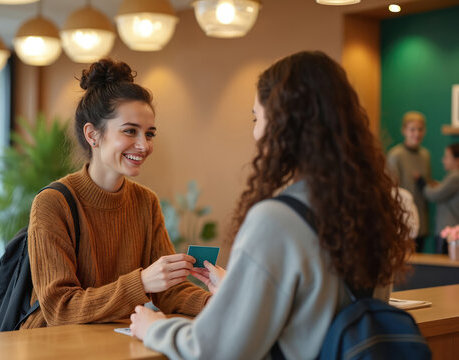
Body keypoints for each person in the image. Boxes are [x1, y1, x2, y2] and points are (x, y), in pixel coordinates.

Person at [129, 51, 413, 359]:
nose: (255, 132)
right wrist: (239, 294)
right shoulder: (370, 209)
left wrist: (154, 328)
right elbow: (317, 315)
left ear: (281, 126)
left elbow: (217, 349)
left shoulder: (276, 219)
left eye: (256, 117)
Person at [21, 59, 210, 329]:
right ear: (93, 135)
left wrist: (213, 302)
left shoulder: (146, 202)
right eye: (130, 131)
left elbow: (169, 292)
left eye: (150, 133)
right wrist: (142, 282)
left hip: (114, 343)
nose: (144, 145)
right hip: (56, 348)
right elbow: (60, 310)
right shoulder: (53, 203)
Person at [387, 111, 431, 252]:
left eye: (420, 129)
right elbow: (392, 191)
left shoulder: (425, 155)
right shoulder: (396, 155)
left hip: (421, 220)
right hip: (403, 221)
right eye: (412, 129)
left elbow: (426, 187)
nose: (416, 134)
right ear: (404, 130)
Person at [418, 143, 459, 254]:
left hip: (449, 231)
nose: (443, 160)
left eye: (446, 157)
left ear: (457, 160)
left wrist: (422, 184)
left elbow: (435, 195)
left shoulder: (455, 176)